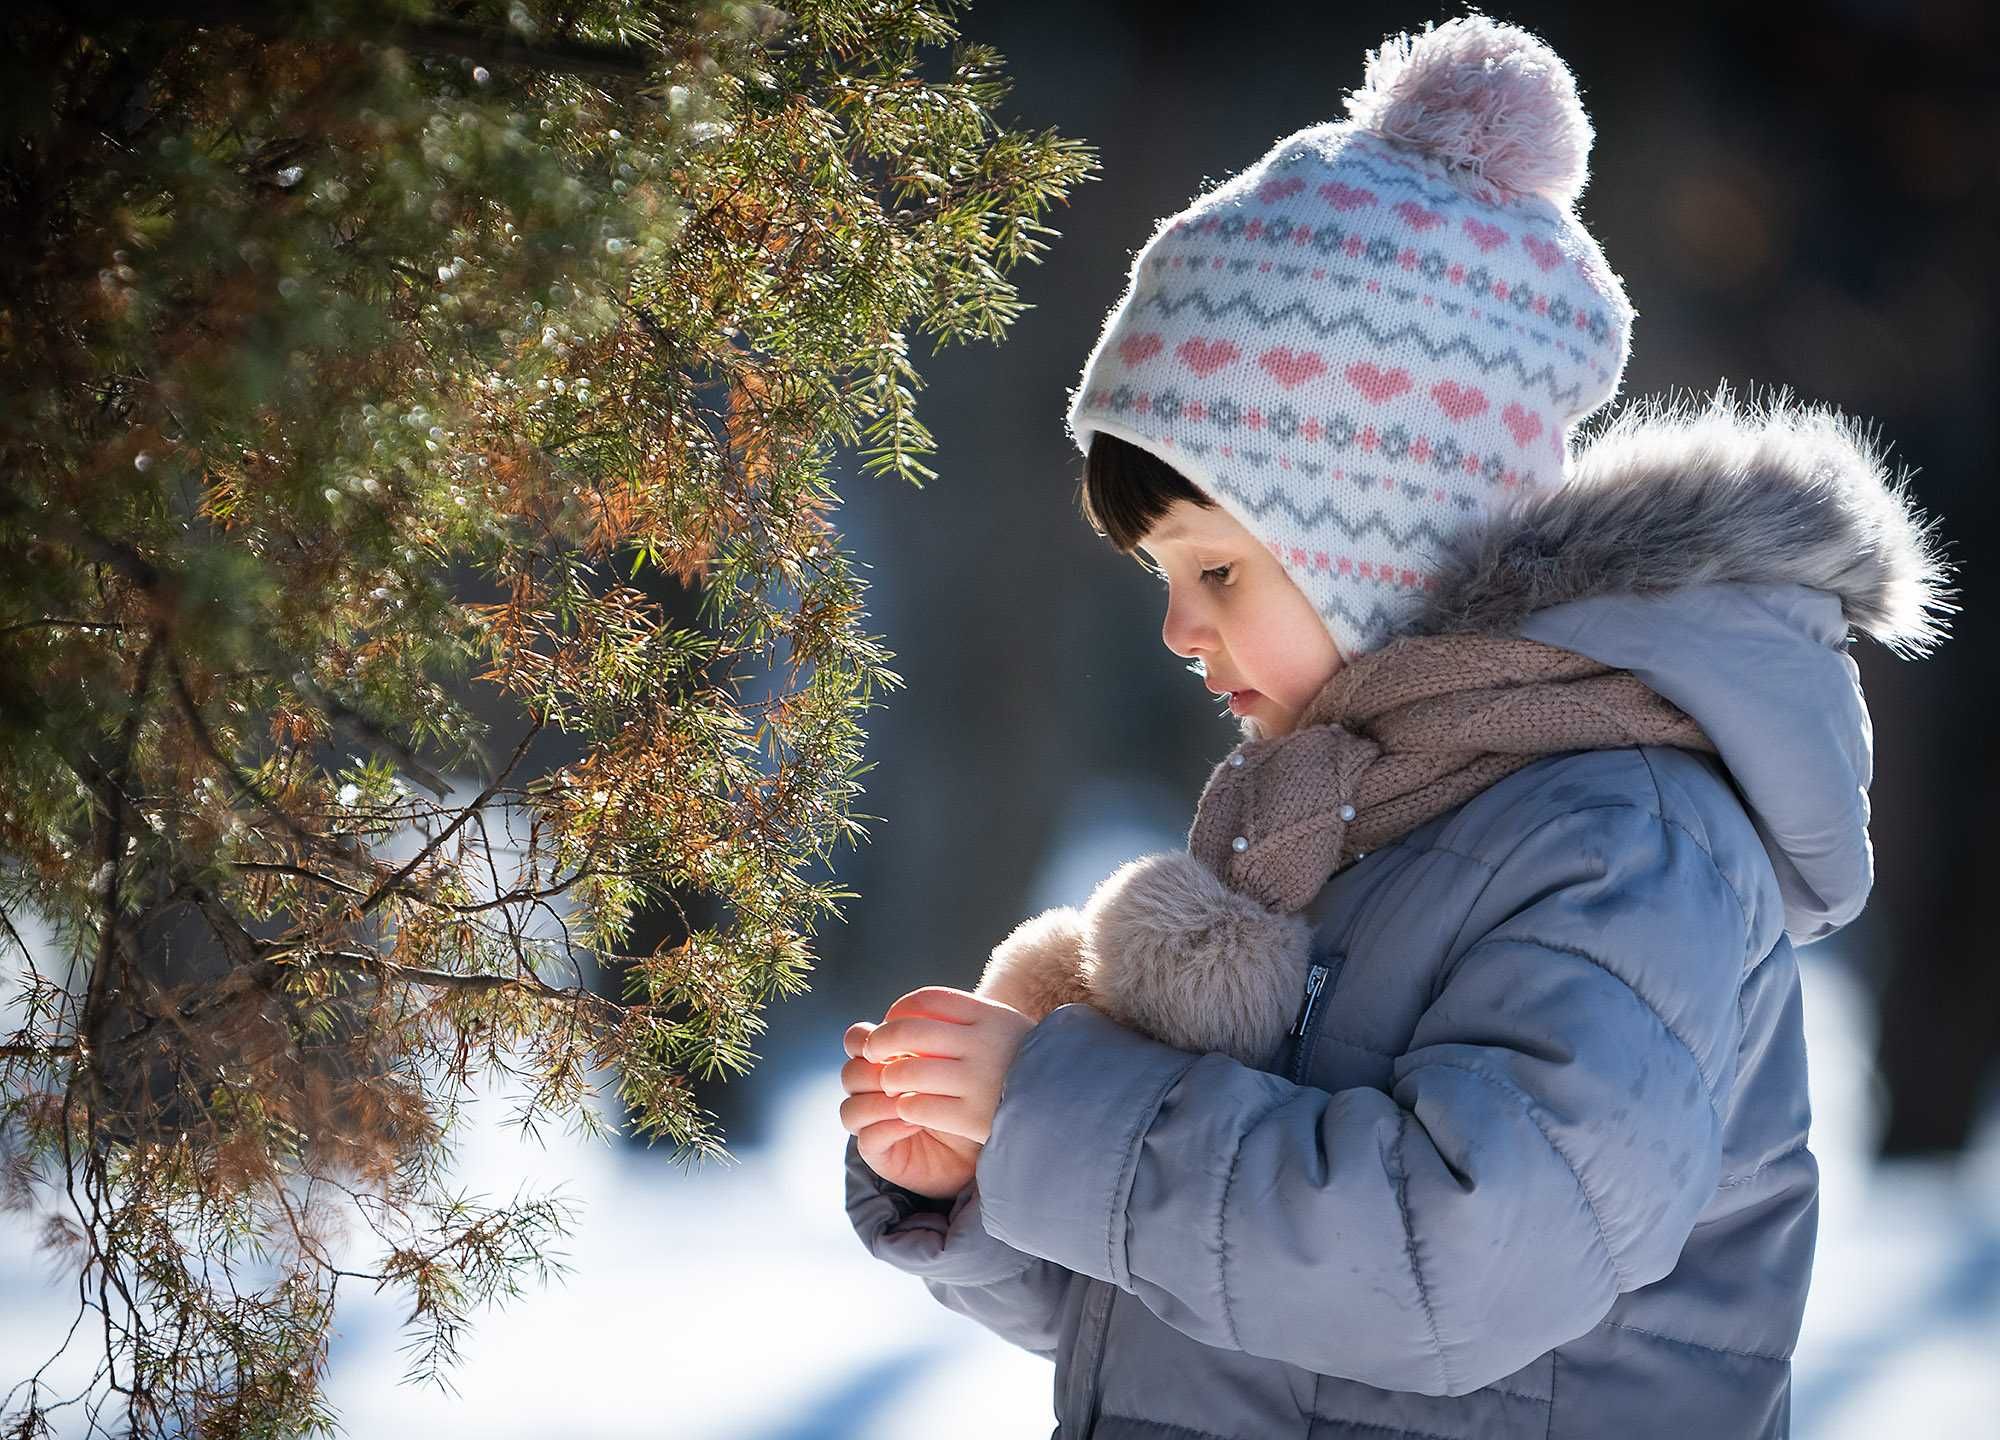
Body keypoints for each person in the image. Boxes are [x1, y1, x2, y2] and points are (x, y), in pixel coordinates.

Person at [838, 10, 1956, 1438]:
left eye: (1218, 569)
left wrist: (1059, 1109)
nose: (1181, 630)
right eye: (1164, 582)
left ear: (1376, 524)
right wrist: (980, 1176)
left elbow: (1450, 1266)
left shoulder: (1623, 842)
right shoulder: (1343, 818)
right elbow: (1227, 1313)